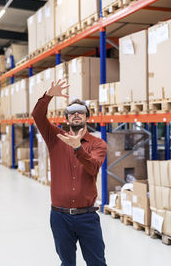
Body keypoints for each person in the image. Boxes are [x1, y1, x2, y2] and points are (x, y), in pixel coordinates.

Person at [32, 79, 107, 266]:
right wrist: (48, 95)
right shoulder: (55, 138)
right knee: (67, 263)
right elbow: (37, 116)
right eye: (71, 112)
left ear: (87, 117)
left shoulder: (98, 144)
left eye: (80, 112)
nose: (76, 115)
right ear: (66, 118)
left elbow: (93, 167)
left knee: (97, 262)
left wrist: (77, 149)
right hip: (60, 217)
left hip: (87, 217)